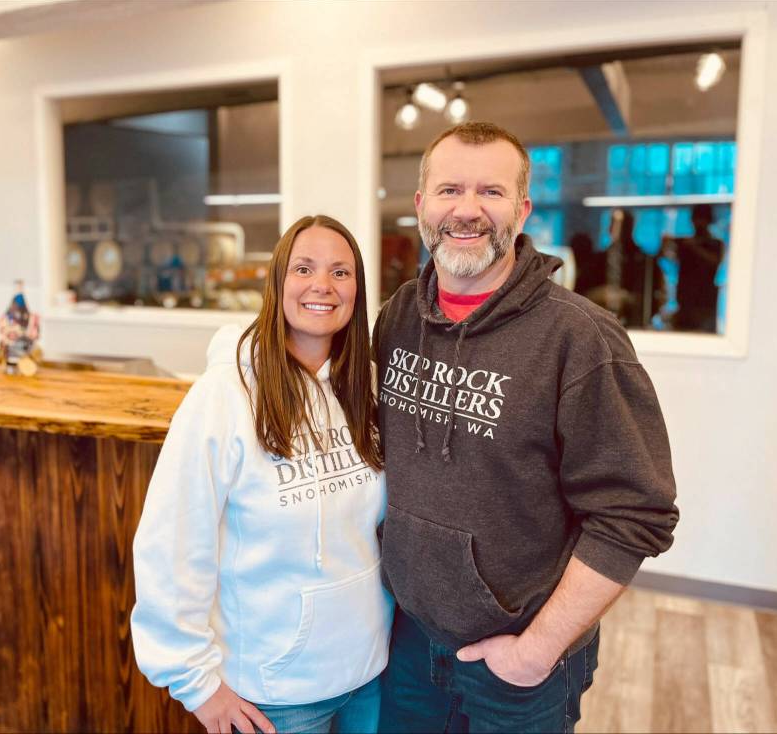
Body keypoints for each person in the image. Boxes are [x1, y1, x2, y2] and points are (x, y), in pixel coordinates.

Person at [373, 122, 679, 733]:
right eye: (450, 190)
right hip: (408, 639)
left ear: (522, 209)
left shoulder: (580, 338)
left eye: (491, 191)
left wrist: (536, 650)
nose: (467, 210)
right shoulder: (398, 315)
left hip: (518, 662)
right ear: (422, 205)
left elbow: (636, 514)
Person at [132, 215, 393, 734]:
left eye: (341, 272)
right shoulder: (224, 395)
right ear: (277, 282)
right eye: (304, 268)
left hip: (367, 675)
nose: (322, 285)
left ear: (357, 290)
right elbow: (173, 541)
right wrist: (195, 683)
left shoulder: (365, 387)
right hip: (275, 697)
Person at [670, 204, 725, 333]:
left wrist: (694, 247)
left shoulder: (715, 244)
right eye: (697, 219)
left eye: (702, 219)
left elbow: (714, 262)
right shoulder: (685, 244)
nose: (698, 223)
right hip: (685, 303)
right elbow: (671, 259)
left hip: (705, 304)